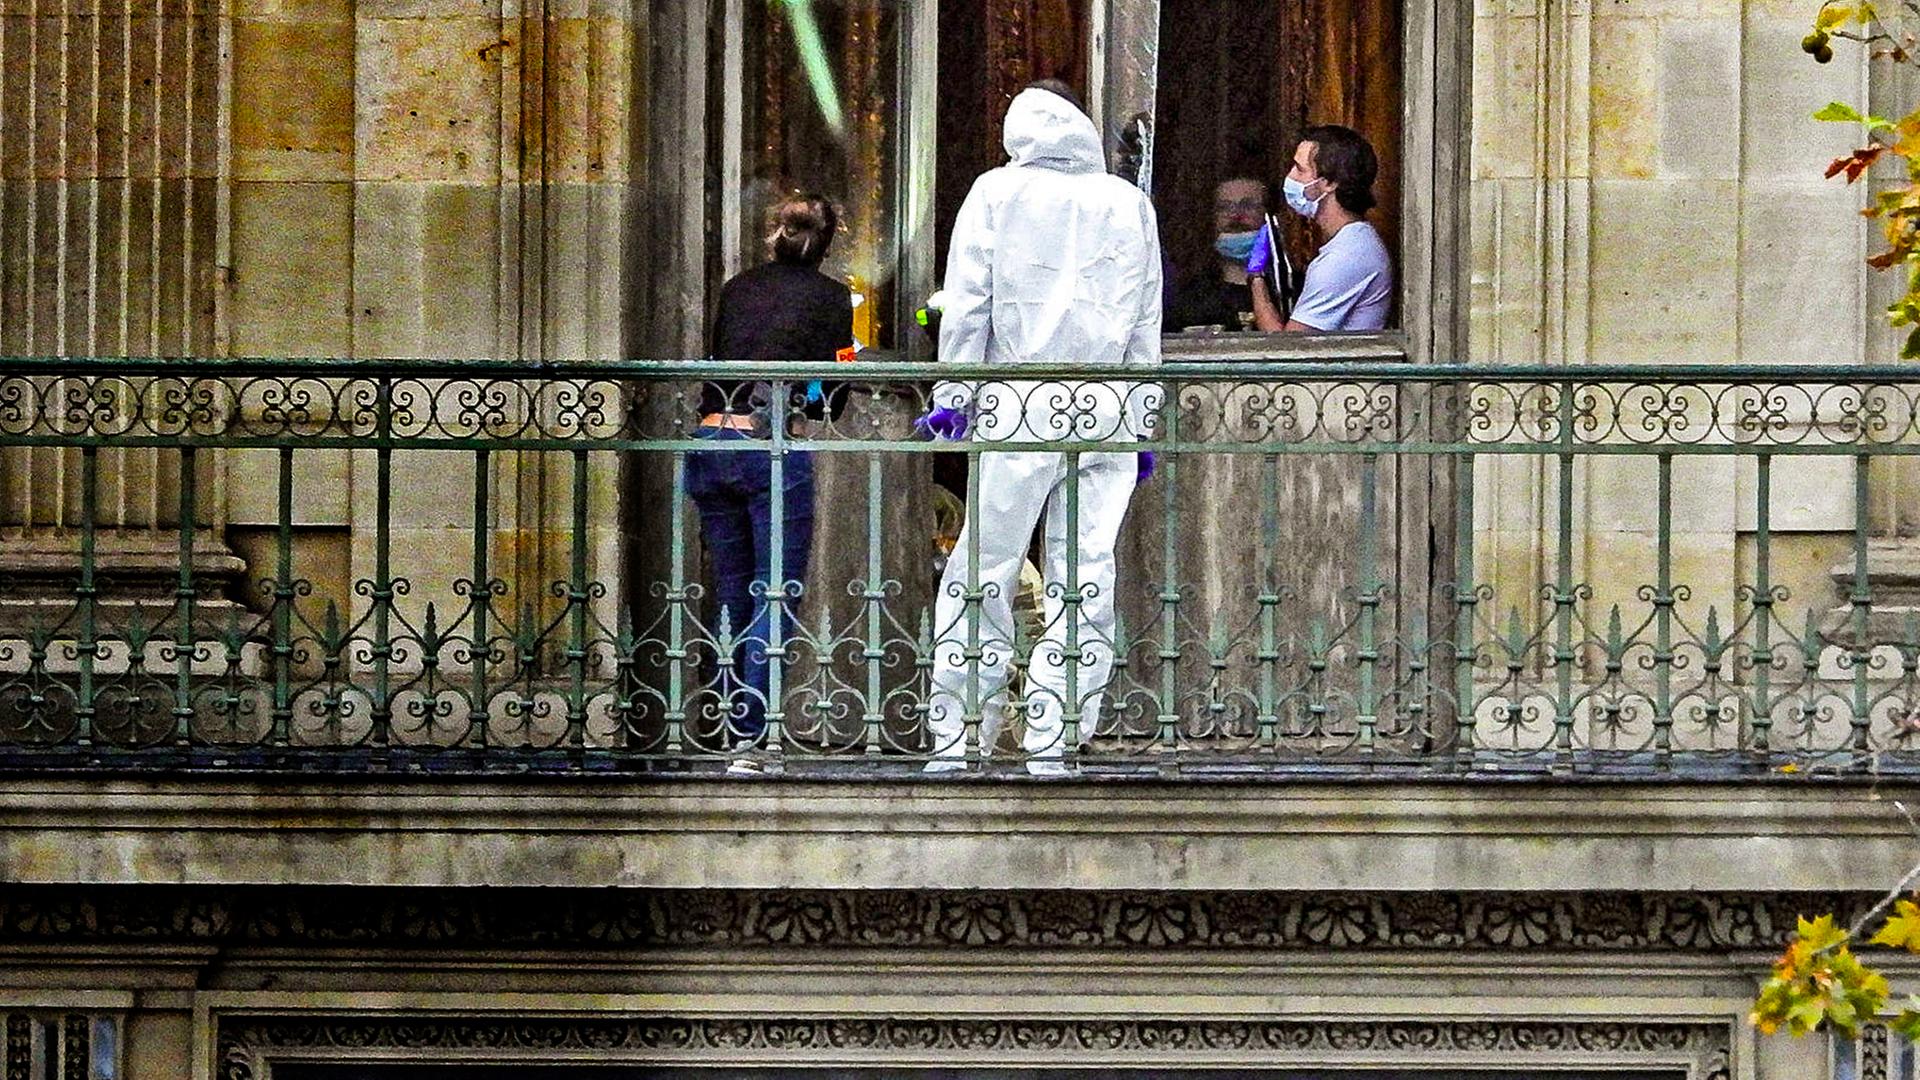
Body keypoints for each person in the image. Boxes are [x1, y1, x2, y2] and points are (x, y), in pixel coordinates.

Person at [916, 80, 1163, 776]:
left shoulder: (997, 193)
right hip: (1106, 407)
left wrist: (954, 397)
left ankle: (962, 732)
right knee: (1086, 573)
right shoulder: (1128, 203)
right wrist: (1140, 418)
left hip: (1020, 402)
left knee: (984, 569)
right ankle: (1056, 735)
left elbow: (968, 305)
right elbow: (1146, 320)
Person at [689, 193, 854, 776]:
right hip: (771, 448)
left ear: (774, 236)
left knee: (732, 591)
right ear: (827, 242)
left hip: (711, 440)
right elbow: (833, 390)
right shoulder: (833, 297)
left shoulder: (737, 288)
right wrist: (818, 386)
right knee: (775, 593)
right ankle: (751, 741)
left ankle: (728, 725)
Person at [1249, 125, 1393, 332]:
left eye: (1299, 169)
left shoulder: (1346, 256)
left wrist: (1256, 279)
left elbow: (1288, 347)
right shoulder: (1350, 243)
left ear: (1329, 183)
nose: (1290, 176)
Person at [1164, 176, 1267, 332]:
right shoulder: (1191, 295)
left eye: (1248, 205)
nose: (1236, 215)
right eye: (1224, 207)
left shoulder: (1287, 287)